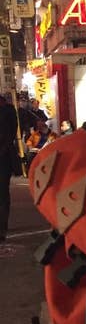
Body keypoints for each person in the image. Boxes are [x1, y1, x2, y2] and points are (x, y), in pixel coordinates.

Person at [0, 94, 19, 243]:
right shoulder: (9, 111)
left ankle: (2, 228)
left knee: (2, 194)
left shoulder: (8, 111)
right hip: (4, 156)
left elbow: (10, 134)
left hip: (3, 157)